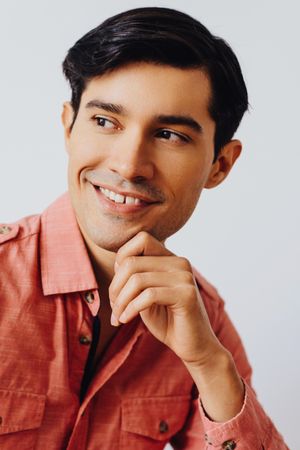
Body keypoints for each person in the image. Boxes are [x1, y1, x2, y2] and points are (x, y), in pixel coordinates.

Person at [0, 7, 289, 450]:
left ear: (220, 165)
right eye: (104, 121)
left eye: (170, 134)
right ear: (67, 128)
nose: (129, 164)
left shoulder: (204, 323)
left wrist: (209, 365)